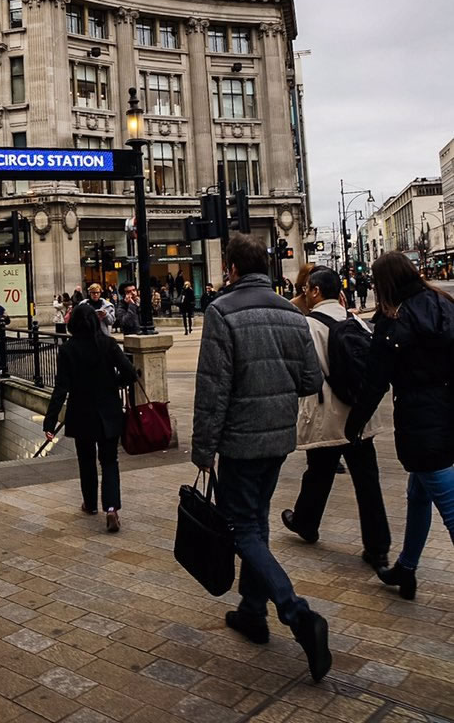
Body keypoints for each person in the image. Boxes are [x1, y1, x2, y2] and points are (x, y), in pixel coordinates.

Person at [192, 235, 331, 684]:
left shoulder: (221, 312)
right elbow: (311, 380)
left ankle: (296, 612)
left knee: (242, 527)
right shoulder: (292, 311)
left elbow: (213, 389)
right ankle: (253, 611)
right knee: (257, 519)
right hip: (278, 439)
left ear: (231, 268)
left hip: (240, 441)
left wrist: (203, 449)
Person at [345, 252, 454, 600]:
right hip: (448, 415)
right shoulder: (444, 303)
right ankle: (406, 568)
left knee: (450, 508)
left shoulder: (393, 322)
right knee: (417, 495)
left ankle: (406, 569)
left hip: (423, 427)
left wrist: (355, 424)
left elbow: (374, 381)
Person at [281, 267, 391, 569]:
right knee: (367, 482)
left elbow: (301, 374)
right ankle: (378, 547)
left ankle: (305, 522)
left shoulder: (306, 326)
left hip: (327, 413)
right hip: (359, 414)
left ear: (315, 291)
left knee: (318, 472)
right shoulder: (354, 320)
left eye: (307, 290)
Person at [43, 303, 137, 532]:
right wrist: (113, 384)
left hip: (81, 412)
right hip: (109, 411)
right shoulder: (107, 344)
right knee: (109, 461)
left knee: (86, 461)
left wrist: (50, 422)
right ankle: (112, 507)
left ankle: (90, 504)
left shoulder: (68, 350)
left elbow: (61, 389)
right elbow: (130, 373)